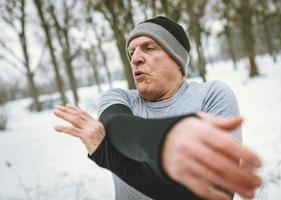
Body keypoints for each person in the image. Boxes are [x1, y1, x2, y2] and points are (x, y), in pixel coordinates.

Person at [53, 16, 262, 200]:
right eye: (131, 52)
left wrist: (105, 152)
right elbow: (117, 126)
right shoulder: (119, 98)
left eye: (149, 48)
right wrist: (164, 140)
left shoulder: (211, 95)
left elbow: (213, 193)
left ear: (178, 60)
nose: (135, 58)